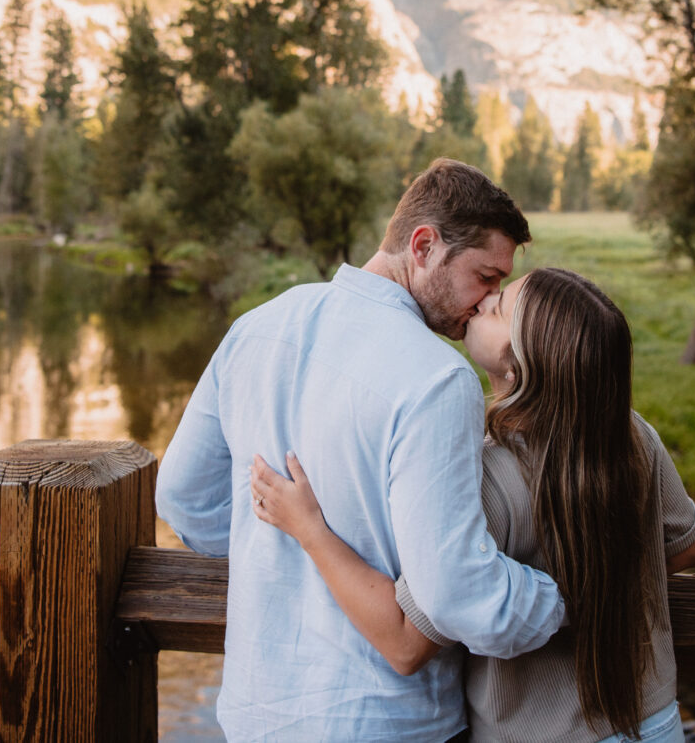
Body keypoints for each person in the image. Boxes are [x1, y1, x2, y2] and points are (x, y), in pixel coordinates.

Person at [155, 159, 568, 741]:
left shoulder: (257, 326)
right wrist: (562, 598)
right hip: (387, 720)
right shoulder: (438, 379)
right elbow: (456, 592)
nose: (486, 301)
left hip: (256, 714)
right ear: (423, 245)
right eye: (485, 277)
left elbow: (181, 497)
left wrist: (287, 552)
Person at [251, 266, 695, 743]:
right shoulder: (632, 434)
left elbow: (405, 643)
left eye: (501, 305)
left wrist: (310, 530)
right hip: (656, 723)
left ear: (517, 368)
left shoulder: (486, 479)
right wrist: (594, 580)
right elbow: (685, 549)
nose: (486, 300)